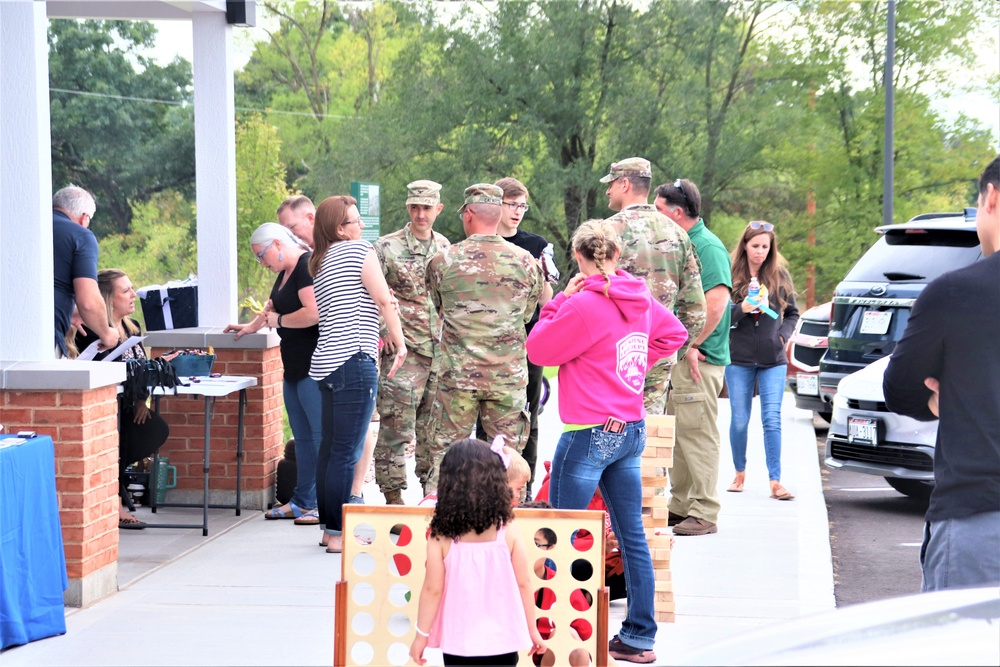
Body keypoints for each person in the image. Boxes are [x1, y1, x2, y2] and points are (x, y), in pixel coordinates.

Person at [526, 219, 688, 663]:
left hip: (588, 432)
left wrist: (559, 298)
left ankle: (555, 630)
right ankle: (639, 637)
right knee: (631, 534)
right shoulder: (643, 300)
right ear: (618, 256)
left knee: (563, 532)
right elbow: (675, 335)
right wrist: (632, 367)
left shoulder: (581, 306)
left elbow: (538, 351)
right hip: (630, 426)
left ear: (578, 259)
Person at [883, 155, 1000, 592]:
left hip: (979, 519)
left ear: (991, 197)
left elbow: (899, 389)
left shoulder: (955, 292)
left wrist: (940, 396)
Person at [424, 183, 543, 492]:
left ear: (469, 215)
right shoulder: (526, 262)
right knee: (507, 459)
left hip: (457, 379)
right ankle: (503, 529)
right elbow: (528, 313)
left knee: (448, 455)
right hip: (506, 378)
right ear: (499, 213)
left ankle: (437, 526)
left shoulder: (442, 261)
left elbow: (440, 307)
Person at [309, 196, 406, 554]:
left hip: (328, 362)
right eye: (355, 221)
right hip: (355, 358)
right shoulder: (357, 251)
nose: (362, 227)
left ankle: (327, 528)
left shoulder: (318, 261)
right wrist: (400, 341)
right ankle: (338, 533)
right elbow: (384, 300)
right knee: (346, 452)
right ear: (339, 229)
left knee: (330, 450)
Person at [408, 439, 546, 666]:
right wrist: (532, 629)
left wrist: (421, 635)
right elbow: (524, 583)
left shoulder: (440, 535)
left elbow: (432, 589)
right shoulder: (508, 529)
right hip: (504, 637)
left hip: (458, 640)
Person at [278, 194, 377, 505]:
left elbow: (319, 311)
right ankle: (332, 516)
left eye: (291, 226)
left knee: (344, 443)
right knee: (335, 447)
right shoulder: (315, 258)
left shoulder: (325, 257)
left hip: (340, 356)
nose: (288, 233)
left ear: (311, 219)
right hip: (332, 360)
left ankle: (351, 497)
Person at [224, 223, 322, 525]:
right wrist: (251, 326)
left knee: (319, 439)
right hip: (292, 367)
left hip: (313, 366)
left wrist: (278, 320)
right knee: (302, 440)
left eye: (262, 256)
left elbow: (313, 312)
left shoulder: (305, 266)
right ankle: (302, 500)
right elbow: (271, 307)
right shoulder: (285, 273)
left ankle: (321, 503)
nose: (262, 263)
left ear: (278, 244)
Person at [654, 179, 732, 536]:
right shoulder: (683, 243)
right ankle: (682, 503)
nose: (655, 217)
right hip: (683, 356)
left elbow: (716, 304)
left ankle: (705, 509)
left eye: (659, 211)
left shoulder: (707, 246)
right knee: (680, 433)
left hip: (698, 358)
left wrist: (690, 346)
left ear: (678, 213)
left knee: (698, 433)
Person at [602, 157, 706, 415]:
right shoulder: (678, 233)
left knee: (608, 431)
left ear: (625, 184)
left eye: (611, 184)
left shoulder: (606, 231)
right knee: (648, 434)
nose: (607, 190)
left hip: (612, 353)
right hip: (658, 352)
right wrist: (672, 350)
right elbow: (696, 309)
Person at [475, 177, 556, 501]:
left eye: (523, 205)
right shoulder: (482, 241)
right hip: (489, 343)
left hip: (527, 343)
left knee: (528, 417)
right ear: (497, 205)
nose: (518, 211)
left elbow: (547, 301)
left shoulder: (535, 245)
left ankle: (525, 487)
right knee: (486, 419)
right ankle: (485, 488)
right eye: (512, 204)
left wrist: (541, 274)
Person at [372, 180, 451, 504]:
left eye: (427, 208)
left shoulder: (446, 248)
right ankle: (393, 501)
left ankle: (431, 498)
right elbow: (369, 294)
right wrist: (383, 329)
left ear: (438, 210)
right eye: (415, 207)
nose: (421, 214)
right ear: (408, 208)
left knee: (435, 434)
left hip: (438, 353)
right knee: (395, 429)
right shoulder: (386, 248)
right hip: (404, 354)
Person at [75, 269, 172, 529]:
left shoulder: (132, 327)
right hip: (105, 406)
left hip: (130, 406)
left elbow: (141, 369)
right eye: (125, 290)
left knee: (154, 428)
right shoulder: (90, 331)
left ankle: (115, 486)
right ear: (108, 298)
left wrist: (142, 400)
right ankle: (115, 500)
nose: (133, 295)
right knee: (120, 441)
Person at [726, 220, 799, 501]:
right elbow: (719, 314)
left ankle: (775, 481)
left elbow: (792, 312)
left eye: (765, 247)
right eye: (755, 246)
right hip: (738, 358)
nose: (760, 252)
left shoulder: (779, 275)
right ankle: (739, 473)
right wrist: (740, 309)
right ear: (745, 245)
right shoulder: (731, 274)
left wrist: (782, 336)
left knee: (772, 419)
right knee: (740, 420)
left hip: (773, 359)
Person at [53, 184, 118, 358]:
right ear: (84, 218)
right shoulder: (81, 235)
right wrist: (107, 334)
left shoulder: (27, 228)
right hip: (45, 335)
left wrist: (70, 310)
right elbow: (89, 302)